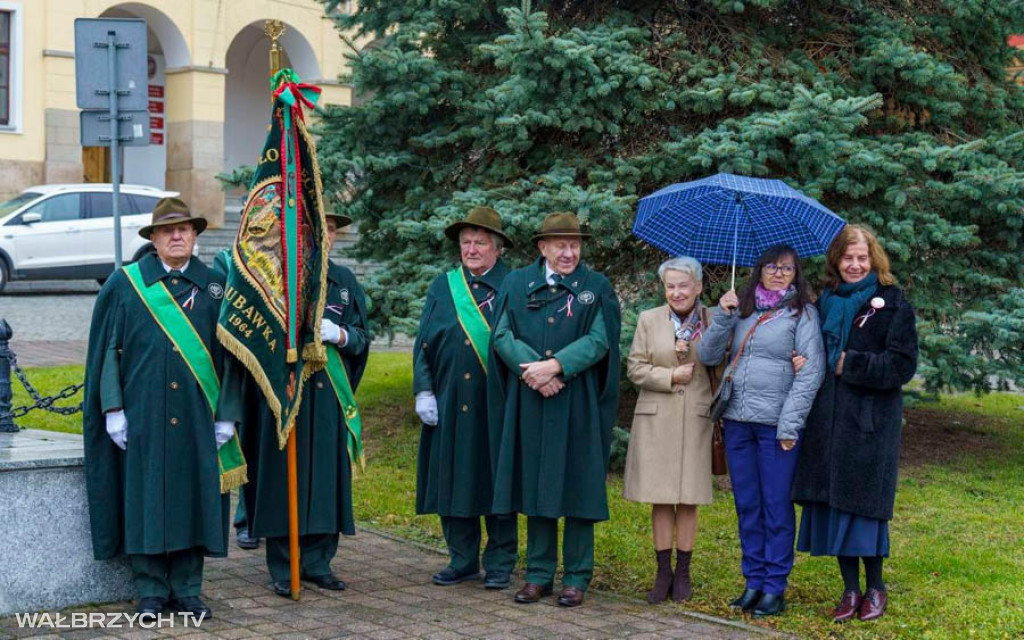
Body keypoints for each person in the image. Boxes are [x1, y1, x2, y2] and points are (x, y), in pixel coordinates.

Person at [83, 197, 236, 618]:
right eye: (167, 230)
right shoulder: (125, 284)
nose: (176, 236)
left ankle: (187, 589)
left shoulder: (215, 286)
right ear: (153, 238)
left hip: (198, 415)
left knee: (193, 499)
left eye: (184, 229)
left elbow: (232, 359)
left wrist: (227, 413)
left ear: (195, 235)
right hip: (143, 414)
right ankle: (150, 589)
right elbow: (107, 351)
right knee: (145, 498)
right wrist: (113, 408)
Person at [220, 211, 370, 596]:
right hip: (283, 395)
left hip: (327, 396)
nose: (325, 236)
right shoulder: (274, 280)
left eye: (331, 230)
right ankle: (285, 567)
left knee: (324, 479)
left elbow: (361, 338)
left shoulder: (344, 281)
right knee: (282, 480)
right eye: (317, 228)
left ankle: (318, 562)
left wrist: (341, 335)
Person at [488, 212, 621, 608]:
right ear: (542, 247)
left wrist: (557, 366)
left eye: (574, 245)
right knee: (536, 482)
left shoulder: (596, 286)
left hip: (578, 401)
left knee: (578, 485)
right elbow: (501, 334)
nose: (568, 252)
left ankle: (577, 577)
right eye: (560, 245)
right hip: (531, 397)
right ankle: (538, 575)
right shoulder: (516, 283)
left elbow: (600, 340)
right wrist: (533, 372)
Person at [792, 225, 918, 623]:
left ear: (873, 259)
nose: (855, 265)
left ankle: (876, 587)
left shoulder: (892, 302)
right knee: (835, 507)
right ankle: (850, 589)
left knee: (864, 510)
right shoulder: (825, 301)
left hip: (869, 424)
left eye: (862, 258)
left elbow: (902, 365)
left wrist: (852, 364)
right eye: (848, 258)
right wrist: (804, 360)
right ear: (837, 260)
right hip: (828, 421)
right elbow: (812, 350)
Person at [697, 244, 825, 617]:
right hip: (737, 422)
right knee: (748, 504)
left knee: (775, 505)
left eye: (787, 268)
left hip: (775, 427)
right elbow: (707, 356)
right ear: (759, 270)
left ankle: (774, 587)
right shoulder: (742, 309)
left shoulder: (802, 313)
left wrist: (790, 425)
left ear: (796, 274)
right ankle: (753, 581)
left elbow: (811, 373)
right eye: (771, 266)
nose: (778, 273)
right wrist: (723, 316)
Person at [413, 206, 519, 589]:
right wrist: (424, 389)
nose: (471, 249)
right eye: (466, 242)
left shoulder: (514, 285)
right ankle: (461, 559)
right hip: (450, 399)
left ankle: (501, 563)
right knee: (454, 477)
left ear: (498, 248)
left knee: (497, 482)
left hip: (497, 402)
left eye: (480, 242)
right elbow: (423, 342)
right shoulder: (443, 286)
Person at [623, 256, 721, 604]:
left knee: (689, 497)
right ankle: (663, 571)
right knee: (662, 496)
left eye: (683, 285)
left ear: (698, 287)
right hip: (657, 417)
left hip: (696, 417)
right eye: (670, 286)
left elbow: (722, 365)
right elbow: (635, 368)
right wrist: (669, 376)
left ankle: (683, 573)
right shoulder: (649, 319)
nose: (677, 292)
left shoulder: (714, 319)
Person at [212, 248, 261, 552]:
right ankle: (247, 520)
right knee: (246, 440)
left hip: (274, 362)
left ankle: (272, 517)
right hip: (240, 361)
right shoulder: (227, 259)